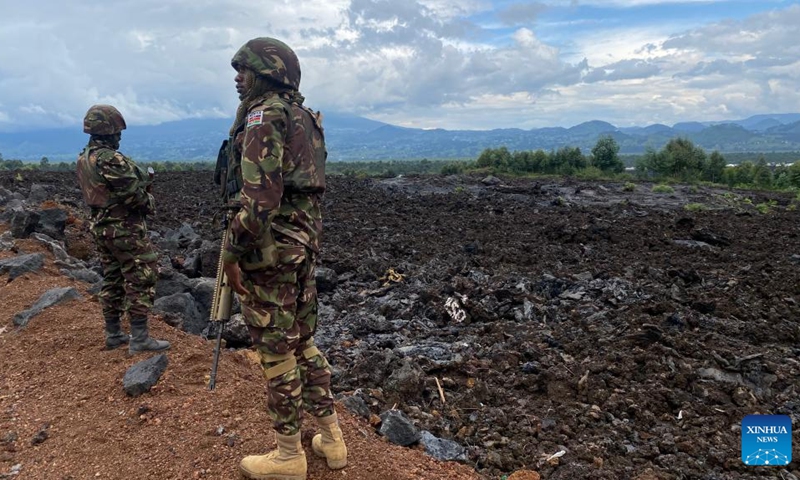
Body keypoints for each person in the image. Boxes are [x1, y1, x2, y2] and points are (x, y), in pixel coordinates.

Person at [218, 37, 346, 480]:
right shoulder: (305, 118)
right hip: (304, 248)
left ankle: (289, 455)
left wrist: (232, 253)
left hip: (270, 251)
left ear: (267, 73)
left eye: (244, 70)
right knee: (303, 341)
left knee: (276, 351)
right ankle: (332, 440)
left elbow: (259, 199)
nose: (238, 78)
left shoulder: (264, 115)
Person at [76, 104, 170, 354]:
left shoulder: (85, 158)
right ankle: (139, 338)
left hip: (101, 229)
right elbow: (133, 196)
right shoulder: (110, 159)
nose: (119, 136)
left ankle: (114, 333)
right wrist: (149, 201)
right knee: (142, 274)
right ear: (109, 130)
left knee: (113, 277)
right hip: (124, 229)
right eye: (117, 131)